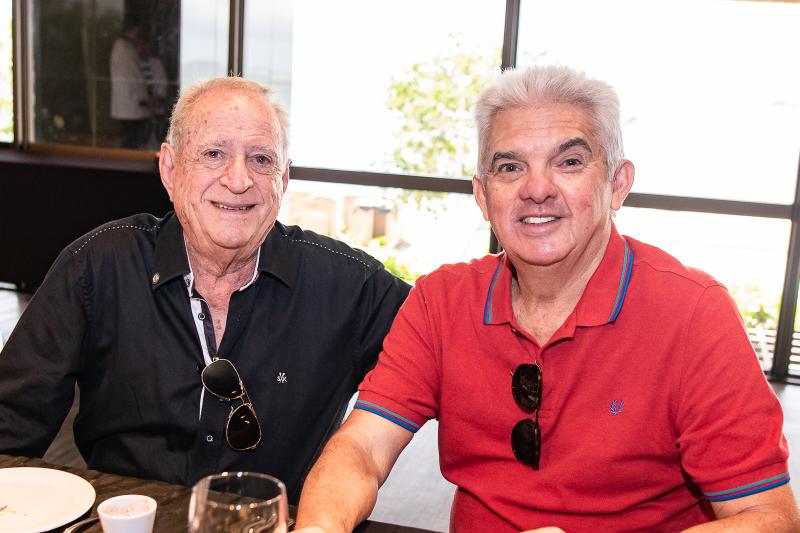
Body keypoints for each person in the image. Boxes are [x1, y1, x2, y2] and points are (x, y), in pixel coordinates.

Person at [295, 65, 800, 532]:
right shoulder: (441, 300)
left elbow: (768, 518)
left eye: (570, 162)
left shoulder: (693, 313)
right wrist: (318, 527)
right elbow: (362, 447)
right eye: (510, 167)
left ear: (618, 183)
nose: (537, 188)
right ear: (483, 195)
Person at [0, 77, 410, 503]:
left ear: (284, 179)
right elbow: (10, 426)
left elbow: (444, 337)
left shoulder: (349, 286)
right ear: (170, 169)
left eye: (261, 159)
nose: (239, 180)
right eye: (214, 154)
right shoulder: (98, 267)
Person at [109, 22, 150, 149]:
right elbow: (135, 78)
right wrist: (146, 98)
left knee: (129, 139)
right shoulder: (125, 48)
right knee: (132, 141)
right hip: (132, 105)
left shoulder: (122, 47)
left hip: (129, 104)